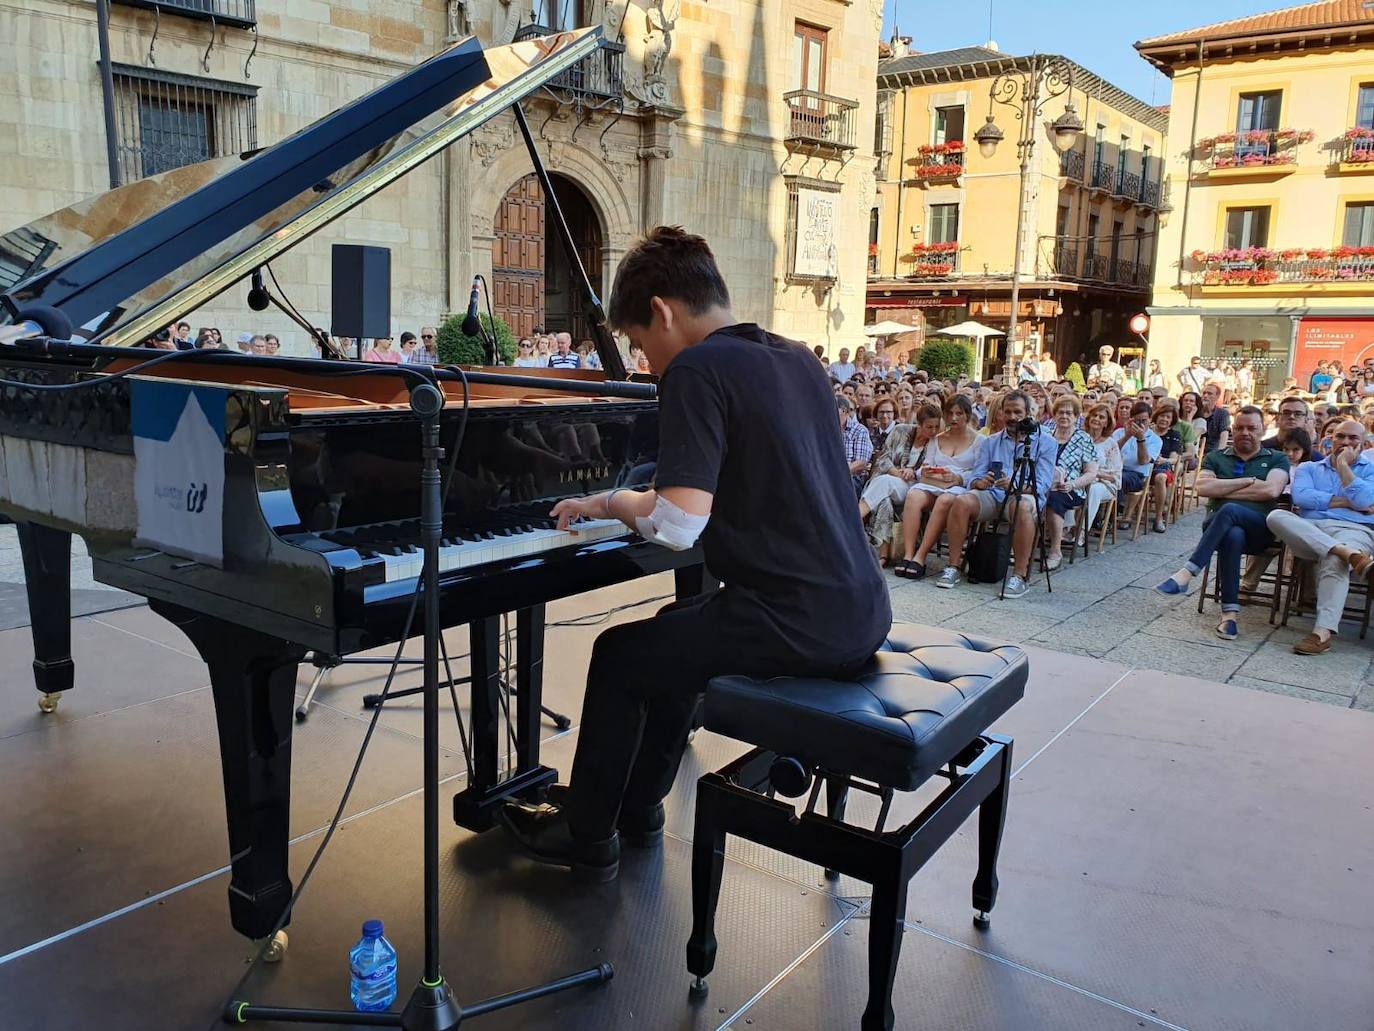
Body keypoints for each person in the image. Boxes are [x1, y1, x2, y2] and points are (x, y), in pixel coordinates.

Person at [497, 226, 890, 878]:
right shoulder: (796, 359)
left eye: (638, 344)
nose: (645, 362)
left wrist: (619, 501)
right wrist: (611, 503)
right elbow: (713, 489)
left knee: (619, 654)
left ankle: (588, 833)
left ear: (662, 312)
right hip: (861, 608)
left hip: (794, 620)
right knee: (670, 638)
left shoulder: (697, 367)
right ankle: (639, 805)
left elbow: (679, 523)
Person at [1155, 407, 1290, 640]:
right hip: (1216, 527)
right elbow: (1205, 488)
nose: (1245, 432)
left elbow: (1271, 490)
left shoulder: (1277, 458)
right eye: (1239, 428)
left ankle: (1189, 572)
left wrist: (1226, 489)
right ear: (1232, 429)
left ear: (1263, 430)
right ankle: (1229, 618)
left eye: (1251, 428)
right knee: (1233, 534)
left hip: (1260, 528)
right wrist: (1249, 482)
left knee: (1229, 509)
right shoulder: (1216, 457)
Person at [932, 390, 1058, 599]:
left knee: (1022, 506)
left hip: (1024, 495)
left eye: (1017, 412)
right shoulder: (991, 441)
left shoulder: (1045, 442)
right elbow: (977, 473)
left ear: (1028, 414)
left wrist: (1015, 484)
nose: (1012, 417)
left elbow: (1042, 484)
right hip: (993, 493)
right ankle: (953, 566)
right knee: (962, 501)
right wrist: (979, 481)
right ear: (1000, 413)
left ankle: (1019, 576)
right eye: (1007, 412)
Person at [1263, 421, 1374, 654]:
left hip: (1353, 529)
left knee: (1335, 560)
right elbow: (1302, 498)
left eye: (1352, 438)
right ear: (1329, 440)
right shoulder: (1309, 468)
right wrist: (1349, 501)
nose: (1345, 442)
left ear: (1364, 444)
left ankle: (1322, 633)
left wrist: (1344, 466)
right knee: (1276, 516)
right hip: (1310, 529)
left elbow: (1366, 501)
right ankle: (1351, 555)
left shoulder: (1372, 470)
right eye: (1340, 436)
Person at [895, 395, 983, 578]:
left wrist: (958, 477)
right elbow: (923, 468)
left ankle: (921, 556)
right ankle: (908, 553)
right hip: (934, 483)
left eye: (959, 413)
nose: (954, 418)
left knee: (945, 500)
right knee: (914, 495)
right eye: (950, 413)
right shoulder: (937, 439)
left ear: (967, 415)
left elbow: (978, 472)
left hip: (959, 487)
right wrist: (926, 471)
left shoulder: (979, 441)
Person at [859, 402, 941, 550]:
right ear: (919, 424)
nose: (933, 430)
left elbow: (930, 469)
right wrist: (897, 473)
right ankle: (883, 555)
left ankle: (852, 520)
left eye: (936, 426)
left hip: (915, 486)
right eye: (929, 427)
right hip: (892, 478)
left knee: (884, 482)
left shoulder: (936, 441)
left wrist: (912, 473)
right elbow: (883, 458)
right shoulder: (900, 430)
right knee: (884, 500)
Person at [1042, 393, 1098, 570]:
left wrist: (1072, 484)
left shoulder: (1084, 439)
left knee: (1055, 498)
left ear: (1076, 416)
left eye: (1069, 413)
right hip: (1044, 484)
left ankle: (1055, 550)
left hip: (1071, 489)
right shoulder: (1046, 436)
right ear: (1054, 414)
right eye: (1060, 412)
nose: (1064, 416)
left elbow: (1091, 473)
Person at [1112, 400, 1163, 525]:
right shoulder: (1119, 433)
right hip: (1115, 469)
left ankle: (1113, 514)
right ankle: (1102, 515)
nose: (1140, 424)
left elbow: (1143, 461)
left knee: (1119, 479)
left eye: (1143, 421)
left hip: (1137, 475)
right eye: (1137, 420)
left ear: (1150, 420)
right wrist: (1127, 436)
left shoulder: (1156, 440)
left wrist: (1141, 439)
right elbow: (1110, 452)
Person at [1082, 403, 1123, 542]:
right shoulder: (1080, 438)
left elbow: (1115, 476)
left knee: (1093, 489)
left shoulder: (1111, 444)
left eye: (1101, 417)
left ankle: (1081, 532)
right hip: (1081, 479)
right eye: (1094, 415)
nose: (1097, 419)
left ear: (1107, 423)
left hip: (1104, 483)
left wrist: (1094, 474)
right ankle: (1065, 529)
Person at [1149, 403, 1184, 533]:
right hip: (1145, 464)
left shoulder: (1174, 435)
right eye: (1162, 416)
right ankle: (1126, 515)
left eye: (1168, 417)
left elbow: (1174, 458)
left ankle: (1158, 519)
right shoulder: (1148, 432)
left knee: (1161, 477)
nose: (1164, 419)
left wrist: (1163, 459)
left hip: (1163, 466)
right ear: (1156, 417)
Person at [838, 394, 873, 495]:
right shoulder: (827, 430)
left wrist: (839, 472)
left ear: (844, 411)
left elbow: (861, 463)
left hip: (852, 477)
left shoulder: (859, 430)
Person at [1199, 383, 1231, 452]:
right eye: (1204, 393)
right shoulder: (1196, 412)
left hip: (1212, 451)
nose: (1205, 396)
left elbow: (1224, 434)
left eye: (1209, 393)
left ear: (1217, 396)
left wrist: (1219, 454)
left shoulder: (1222, 414)